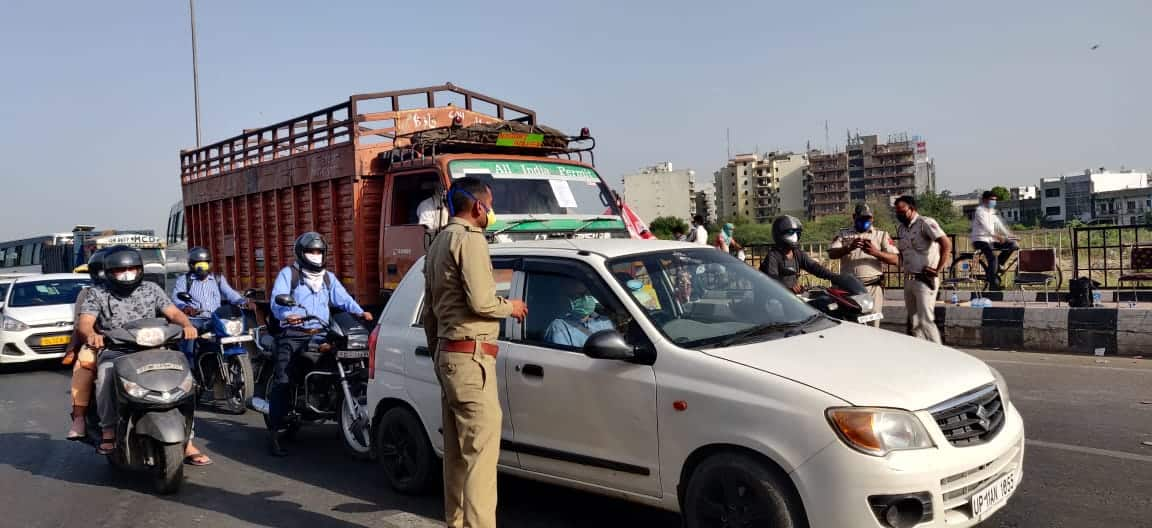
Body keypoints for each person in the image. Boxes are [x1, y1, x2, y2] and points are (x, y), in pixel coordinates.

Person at [423, 176, 528, 528]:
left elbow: (430, 314)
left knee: (456, 457)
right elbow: (482, 301)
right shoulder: (470, 240)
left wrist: (439, 356)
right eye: (490, 205)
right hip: (471, 359)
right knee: (480, 463)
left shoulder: (439, 242)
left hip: (449, 354)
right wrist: (510, 306)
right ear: (479, 206)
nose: (491, 213)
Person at [75, 245, 211, 465]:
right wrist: (91, 334)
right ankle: (108, 429)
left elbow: (174, 312)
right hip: (117, 351)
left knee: (186, 381)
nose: (127, 274)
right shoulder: (98, 294)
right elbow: (85, 322)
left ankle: (188, 441)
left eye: (133, 269)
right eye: (121, 270)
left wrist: (187, 326)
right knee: (104, 377)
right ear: (110, 273)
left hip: (156, 348)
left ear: (140, 270)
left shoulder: (151, 289)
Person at [267, 232, 372, 456]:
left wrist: (361, 312)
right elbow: (278, 299)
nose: (315, 256)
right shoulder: (289, 274)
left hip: (322, 331)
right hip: (294, 333)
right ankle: (275, 432)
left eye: (319, 252)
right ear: (301, 253)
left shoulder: (327, 278)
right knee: (283, 380)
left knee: (343, 359)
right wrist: (288, 314)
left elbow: (342, 298)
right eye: (311, 252)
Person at [171, 247, 247, 364]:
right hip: (195, 319)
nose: (202, 268)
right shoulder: (184, 280)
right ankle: (190, 367)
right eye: (198, 265)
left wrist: (243, 301)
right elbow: (176, 297)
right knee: (190, 335)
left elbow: (230, 293)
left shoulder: (218, 279)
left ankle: (235, 360)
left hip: (215, 318)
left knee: (235, 332)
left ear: (210, 264)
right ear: (192, 266)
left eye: (205, 265)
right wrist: (185, 307)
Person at [828, 204, 900, 326]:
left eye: (868, 218)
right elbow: (832, 254)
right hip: (849, 290)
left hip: (872, 287)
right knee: (852, 324)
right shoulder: (843, 234)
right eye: (862, 218)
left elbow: (895, 259)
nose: (865, 221)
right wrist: (849, 247)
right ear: (854, 217)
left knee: (873, 323)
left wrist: (875, 252)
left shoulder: (881, 235)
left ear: (872, 219)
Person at [894, 195, 952, 344]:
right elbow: (902, 254)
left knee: (926, 320)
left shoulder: (925, 223)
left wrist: (937, 269)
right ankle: (921, 354)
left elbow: (946, 244)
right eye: (897, 212)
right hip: (909, 279)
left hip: (924, 279)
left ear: (912, 209)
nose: (899, 215)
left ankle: (939, 353)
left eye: (902, 211)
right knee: (914, 322)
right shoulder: (901, 229)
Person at [65, 249, 107, 440]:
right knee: (85, 365)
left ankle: (185, 441)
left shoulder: (143, 291)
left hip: (136, 345)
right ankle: (79, 418)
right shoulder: (88, 294)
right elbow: (80, 325)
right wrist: (90, 336)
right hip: (100, 346)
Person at [759, 215, 839, 293]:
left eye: (797, 233)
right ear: (779, 234)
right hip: (776, 299)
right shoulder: (773, 256)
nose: (794, 237)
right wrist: (788, 288)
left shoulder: (797, 253)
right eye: (790, 233)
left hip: (792, 297)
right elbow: (772, 281)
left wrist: (834, 277)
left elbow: (814, 267)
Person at [544, 279, 615, 348]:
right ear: (567, 299)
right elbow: (563, 358)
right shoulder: (559, 327)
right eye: (578, 296)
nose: (586, 298)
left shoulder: (605, 321)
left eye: (588, 294)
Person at [971, 191, 1018, 290]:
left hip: (991, 239)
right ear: (984, 200)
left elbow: (1000, 225)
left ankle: (997, 267)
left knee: (1012, 245)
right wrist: (997, 236)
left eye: (995, 200)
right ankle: (993, 285)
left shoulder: (992, 212)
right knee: (993, 258)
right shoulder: (980, 211)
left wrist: (1009, 235)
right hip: (980, 240)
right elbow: (986, 227)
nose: (994, 201)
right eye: (992, 199)